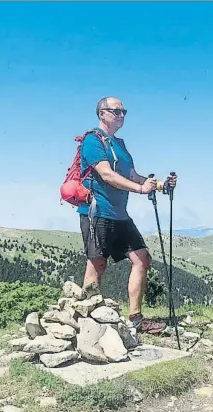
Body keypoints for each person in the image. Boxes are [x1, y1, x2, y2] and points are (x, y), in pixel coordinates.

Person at [76, 96, 177, 335]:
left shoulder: (119, 143)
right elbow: (107, 175)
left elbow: (131, 174)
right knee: (97, 264)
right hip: (97, 212)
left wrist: (160, 185)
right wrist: (141, 189)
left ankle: (136, 319)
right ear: (102, 114)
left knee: (142, 258)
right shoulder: (92, 140)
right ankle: (85, 321)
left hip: (119, 214)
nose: (122, 115)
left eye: (124, 112)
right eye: (117, 111)